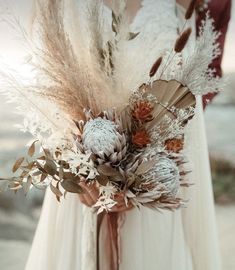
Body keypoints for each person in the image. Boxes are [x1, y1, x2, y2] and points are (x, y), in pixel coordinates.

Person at [25, 1, 229, 269]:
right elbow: (51, 92)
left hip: (152, 198)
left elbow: (188, 113)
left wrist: (149, 176)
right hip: (82, 194)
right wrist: (76, 169)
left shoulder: (183, 6)